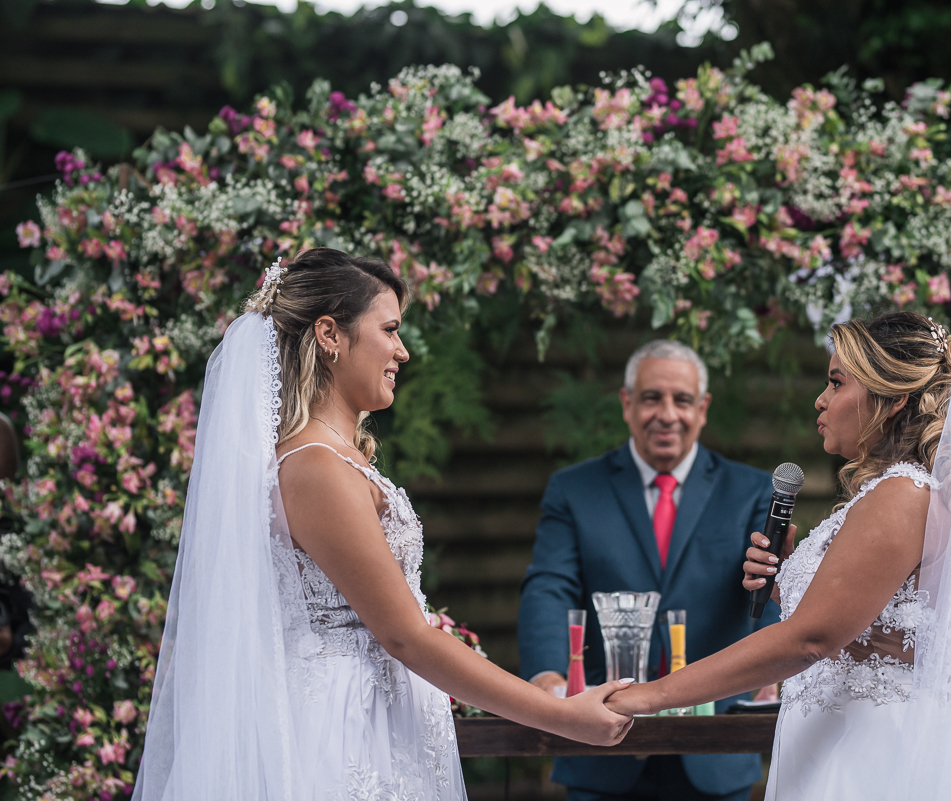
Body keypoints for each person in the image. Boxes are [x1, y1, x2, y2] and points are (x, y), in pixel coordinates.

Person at [133, 248, 633, 801]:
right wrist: (558, 716)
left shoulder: (338, 459)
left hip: (383, 720)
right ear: (330, 334)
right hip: (342, 735)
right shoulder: (315, 467)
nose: (403, 350)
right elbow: (403, 634)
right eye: (390, 330)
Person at [604, 311, 951, 800]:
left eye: (837, 383)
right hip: (843, 741)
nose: (821, 400)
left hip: (871, 757)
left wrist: (649, 696)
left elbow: (811, 640)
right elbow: (879, 631)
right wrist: (789, 584)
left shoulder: (902, 494)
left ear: (892, 396)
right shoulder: (903, 492)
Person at [519, 339, 780, 801]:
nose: (667, 414)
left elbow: (768, 589)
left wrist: (773, 672)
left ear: (702, 408)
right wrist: (548, 679)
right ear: (626, 403)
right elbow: (549, 588)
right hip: (600, 741)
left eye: (681, 400)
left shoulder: (752, 491)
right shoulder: (574, 489)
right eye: (651, 398)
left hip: (715, 745)